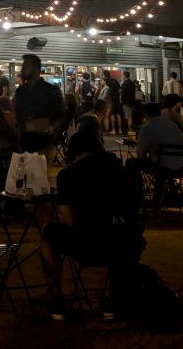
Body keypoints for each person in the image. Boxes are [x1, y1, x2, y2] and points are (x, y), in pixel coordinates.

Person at [40, 132, 142, 320]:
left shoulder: (68, 175)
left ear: (74, 153)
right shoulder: (121, 169)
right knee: (116, 232)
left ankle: (57, 298)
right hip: (127, 244)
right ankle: (113, 300)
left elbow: (68, 222)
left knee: (49, 234)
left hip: (90, 245)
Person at [126, 102, 183, 205]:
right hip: (180, 167)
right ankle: (160, 196)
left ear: (145, 114)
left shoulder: (148, 127)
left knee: (131, 163)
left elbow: (140, 153)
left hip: (161, 167)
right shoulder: (172, 125)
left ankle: (138, 194)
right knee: (158, 162)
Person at [14, 54, 65, 159]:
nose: (22, 70)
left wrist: (52, 129)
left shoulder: (50, 91)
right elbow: (18, 117)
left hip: (44, 141)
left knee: (40, 172)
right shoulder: (20, 91)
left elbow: (61, 115)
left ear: (36, 69)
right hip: (24, 141)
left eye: (25, 66)